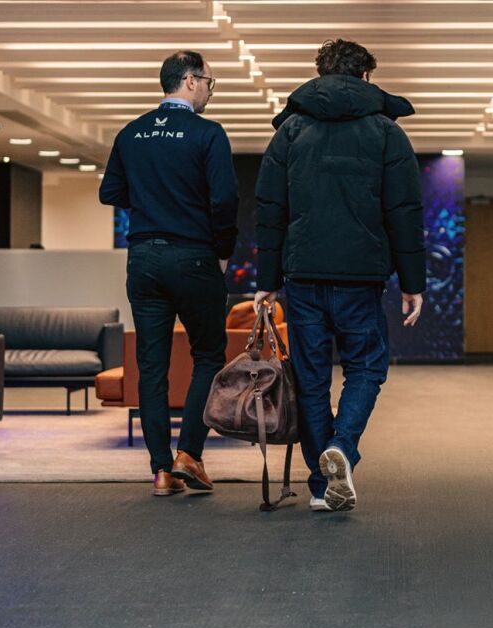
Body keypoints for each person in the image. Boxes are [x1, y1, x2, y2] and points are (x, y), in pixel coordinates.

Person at [253, 39, 426, 513]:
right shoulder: (386, 133)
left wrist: (267, 280)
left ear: (321, 74)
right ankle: (341, 446)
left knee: (310, 379)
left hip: (303, 276)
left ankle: (319, 485)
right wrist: (413, 283)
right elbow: (404, 212)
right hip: (360, 277)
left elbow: (270, 210)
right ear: (365, 77)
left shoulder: (290, 132)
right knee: (366, 367)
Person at [99, 50, 237, 498]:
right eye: (210, 83)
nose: (211, 92)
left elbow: (110, 191)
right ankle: (189, 455)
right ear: (191, 81)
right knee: (209, 355)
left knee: (151, 366)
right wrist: (222, 251)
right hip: (194, 257)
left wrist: (152, 201)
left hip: (143, 259)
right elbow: (224, 201)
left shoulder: (131, 132)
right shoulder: (207, 133)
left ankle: (161, 470)